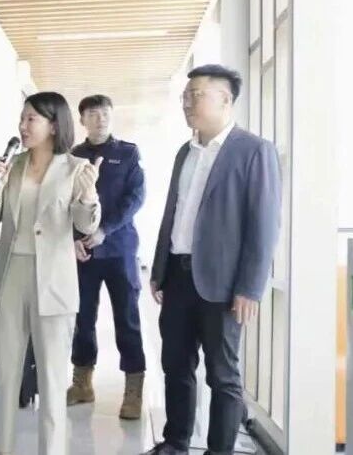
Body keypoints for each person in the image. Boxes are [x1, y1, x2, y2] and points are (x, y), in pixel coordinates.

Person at [142, 64, 281, 455]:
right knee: (175, 365)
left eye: (196, 95)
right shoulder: (185, 152)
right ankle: (176, 442)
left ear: (225, 99)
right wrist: (160, 269)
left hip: (222, 285)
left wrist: (250, 287)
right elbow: (173, 214)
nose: (187, 103)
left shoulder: (253, 150)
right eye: (185, 96)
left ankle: (219, 450)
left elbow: (264, 224)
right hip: (178, 277)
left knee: (222, 375)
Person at [0, 92, 101, 455]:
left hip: (54, 280)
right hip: (10, 275)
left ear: (53, 125)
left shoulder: (76, 168)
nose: (23, 125)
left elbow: (85, 225)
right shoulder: (13, 164)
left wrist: (88, 196)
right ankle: (2, 449)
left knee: (51, 377)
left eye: (31, 119)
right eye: (22, 118)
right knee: (5, 374)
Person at [67, 94, 147, 420]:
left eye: (105, 114)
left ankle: (133, 390)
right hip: (84, 252)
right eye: (93, 114)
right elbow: (64, 202)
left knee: (127, 318)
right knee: (82, 318)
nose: (100, 119)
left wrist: (105, 230)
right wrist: (74, 240)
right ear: (82, 120)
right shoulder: (73, 156)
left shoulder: (127, 153)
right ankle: (82, 383)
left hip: (119, 250)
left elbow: (135, 198)